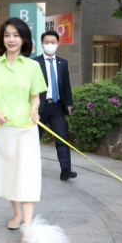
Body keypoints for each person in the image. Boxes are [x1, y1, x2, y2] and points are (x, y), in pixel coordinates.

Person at [0, 18, 47, 243]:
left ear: (24, 38)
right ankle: (16, 213)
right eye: (7, 35)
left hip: (26, 129)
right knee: (8, 175)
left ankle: (27, 226)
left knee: (26, 176)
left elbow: (35, 96)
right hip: (0, 130)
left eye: (16, 35)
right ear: (2, 38)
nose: (11, 39)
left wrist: (34, 108)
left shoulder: (33, 66)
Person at [33, 30, 77, 181]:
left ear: (58, 44)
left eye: (53, 42)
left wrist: (69, 104)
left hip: (57, 106)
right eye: (47, 42)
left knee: (61, 138)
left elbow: (66, 85)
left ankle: (66, 170)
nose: (50, 45)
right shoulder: (34, 63)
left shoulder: (62, 63)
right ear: (42, 44)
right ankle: (29, 168)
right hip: (39, 107)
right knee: (33, 139)